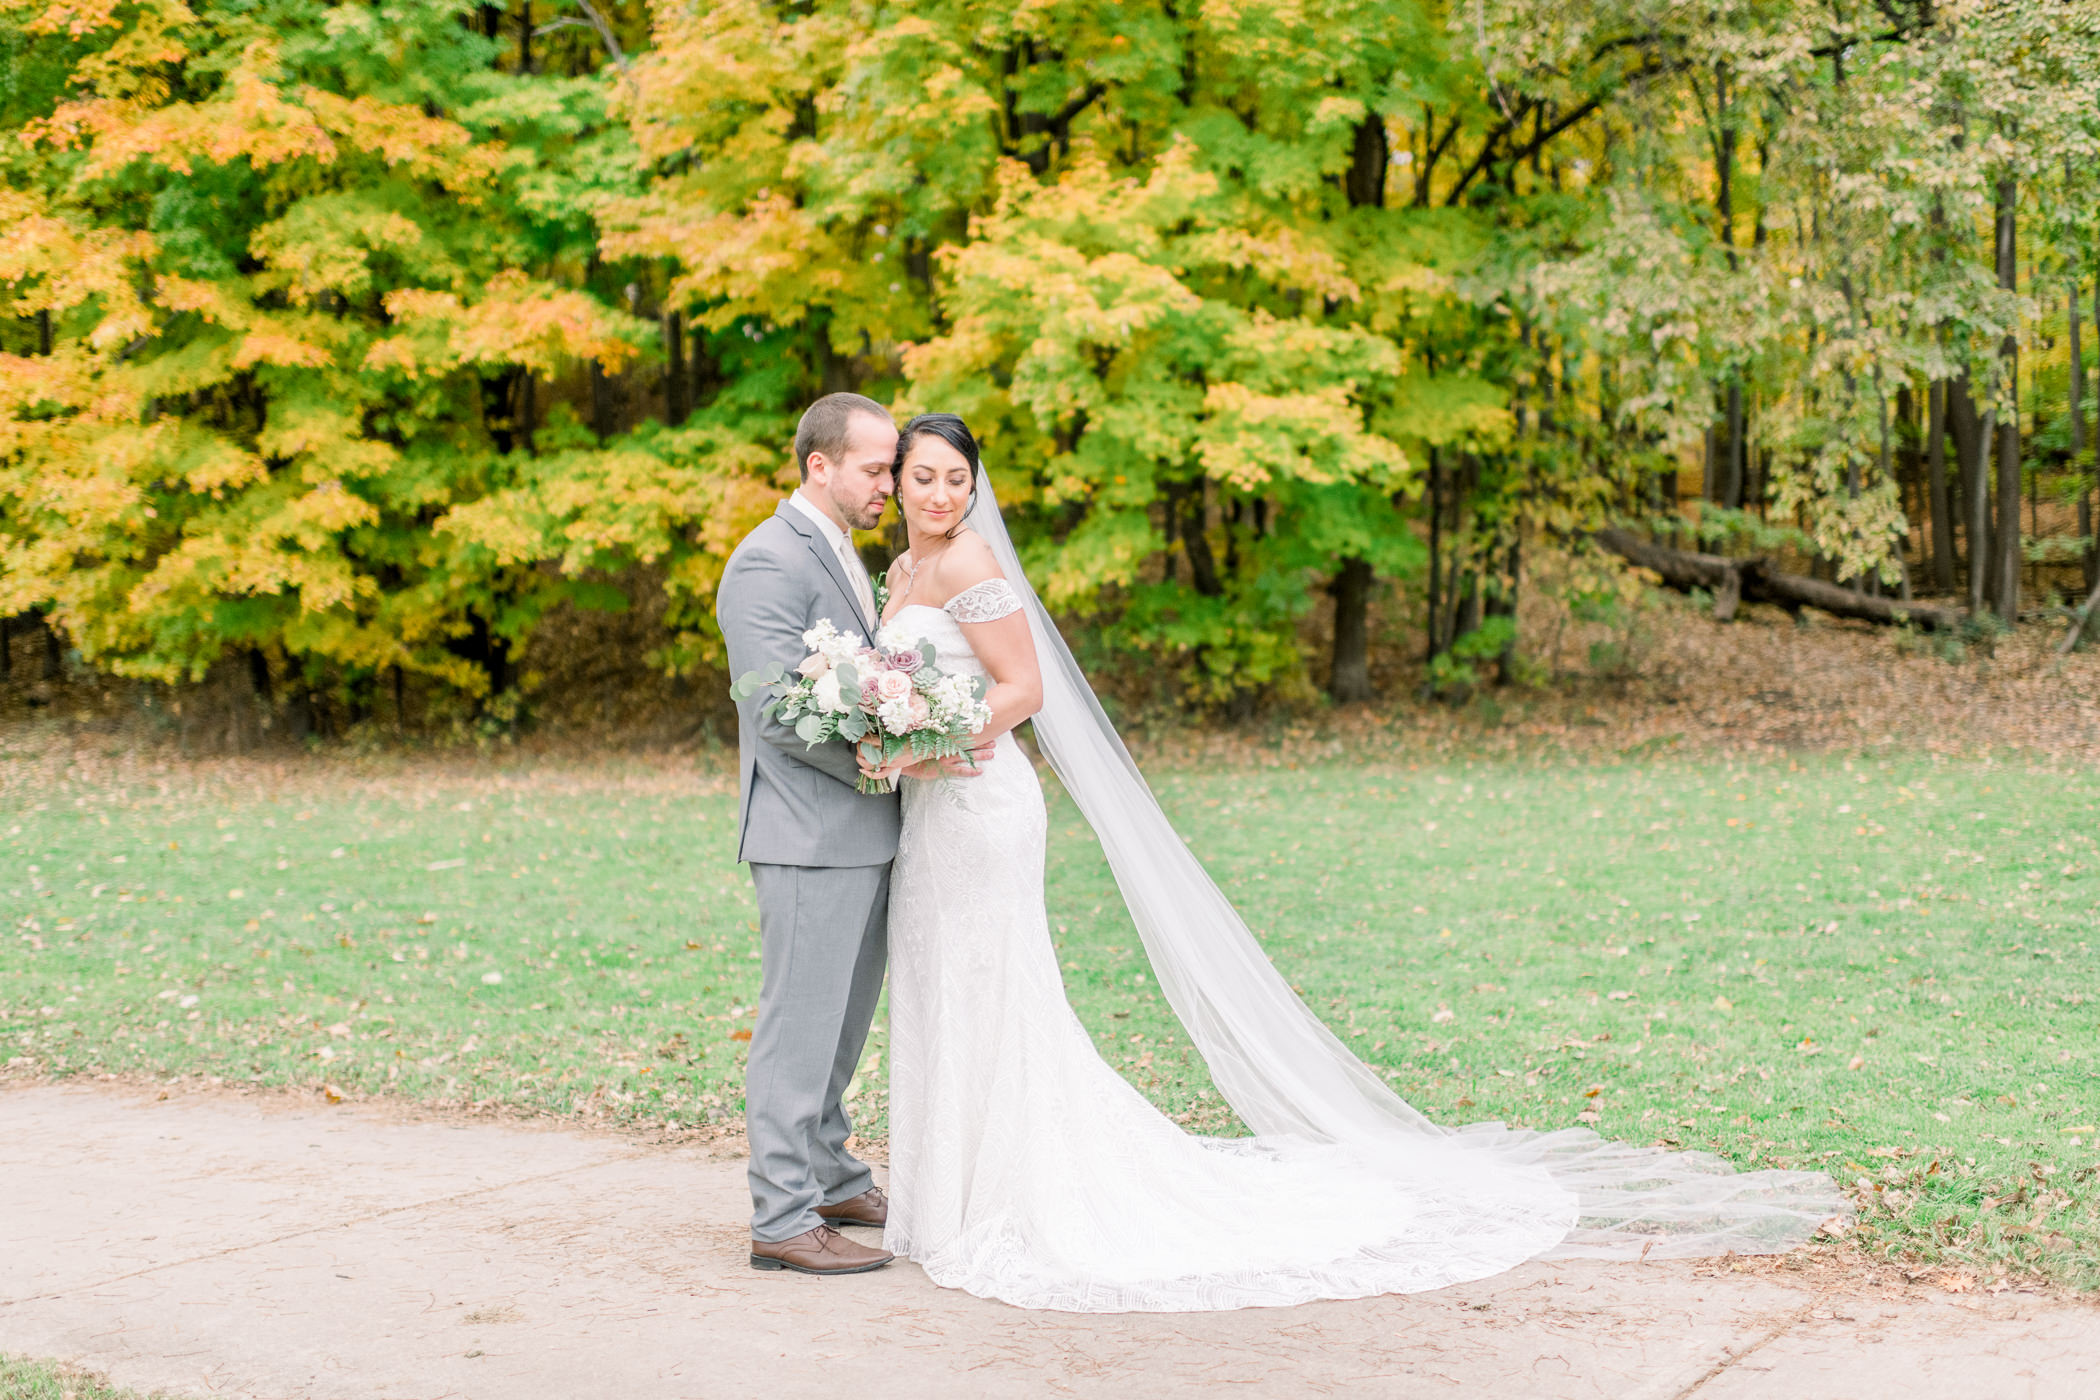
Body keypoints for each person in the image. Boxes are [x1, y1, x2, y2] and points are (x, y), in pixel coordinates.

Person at [863, 412, 1850, 1312]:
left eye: (957, 478)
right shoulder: (903, 576)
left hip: (982, 807)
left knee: (994, 986)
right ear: (897, 484)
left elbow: (1024, 686)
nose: (941, 494)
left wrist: (929, 742)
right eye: (924, 478)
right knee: (939, 982)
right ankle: (942, 1198)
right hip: (930, 818)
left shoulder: (970, 564)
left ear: (974, 486)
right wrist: (898, 737)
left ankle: (991, 1194)